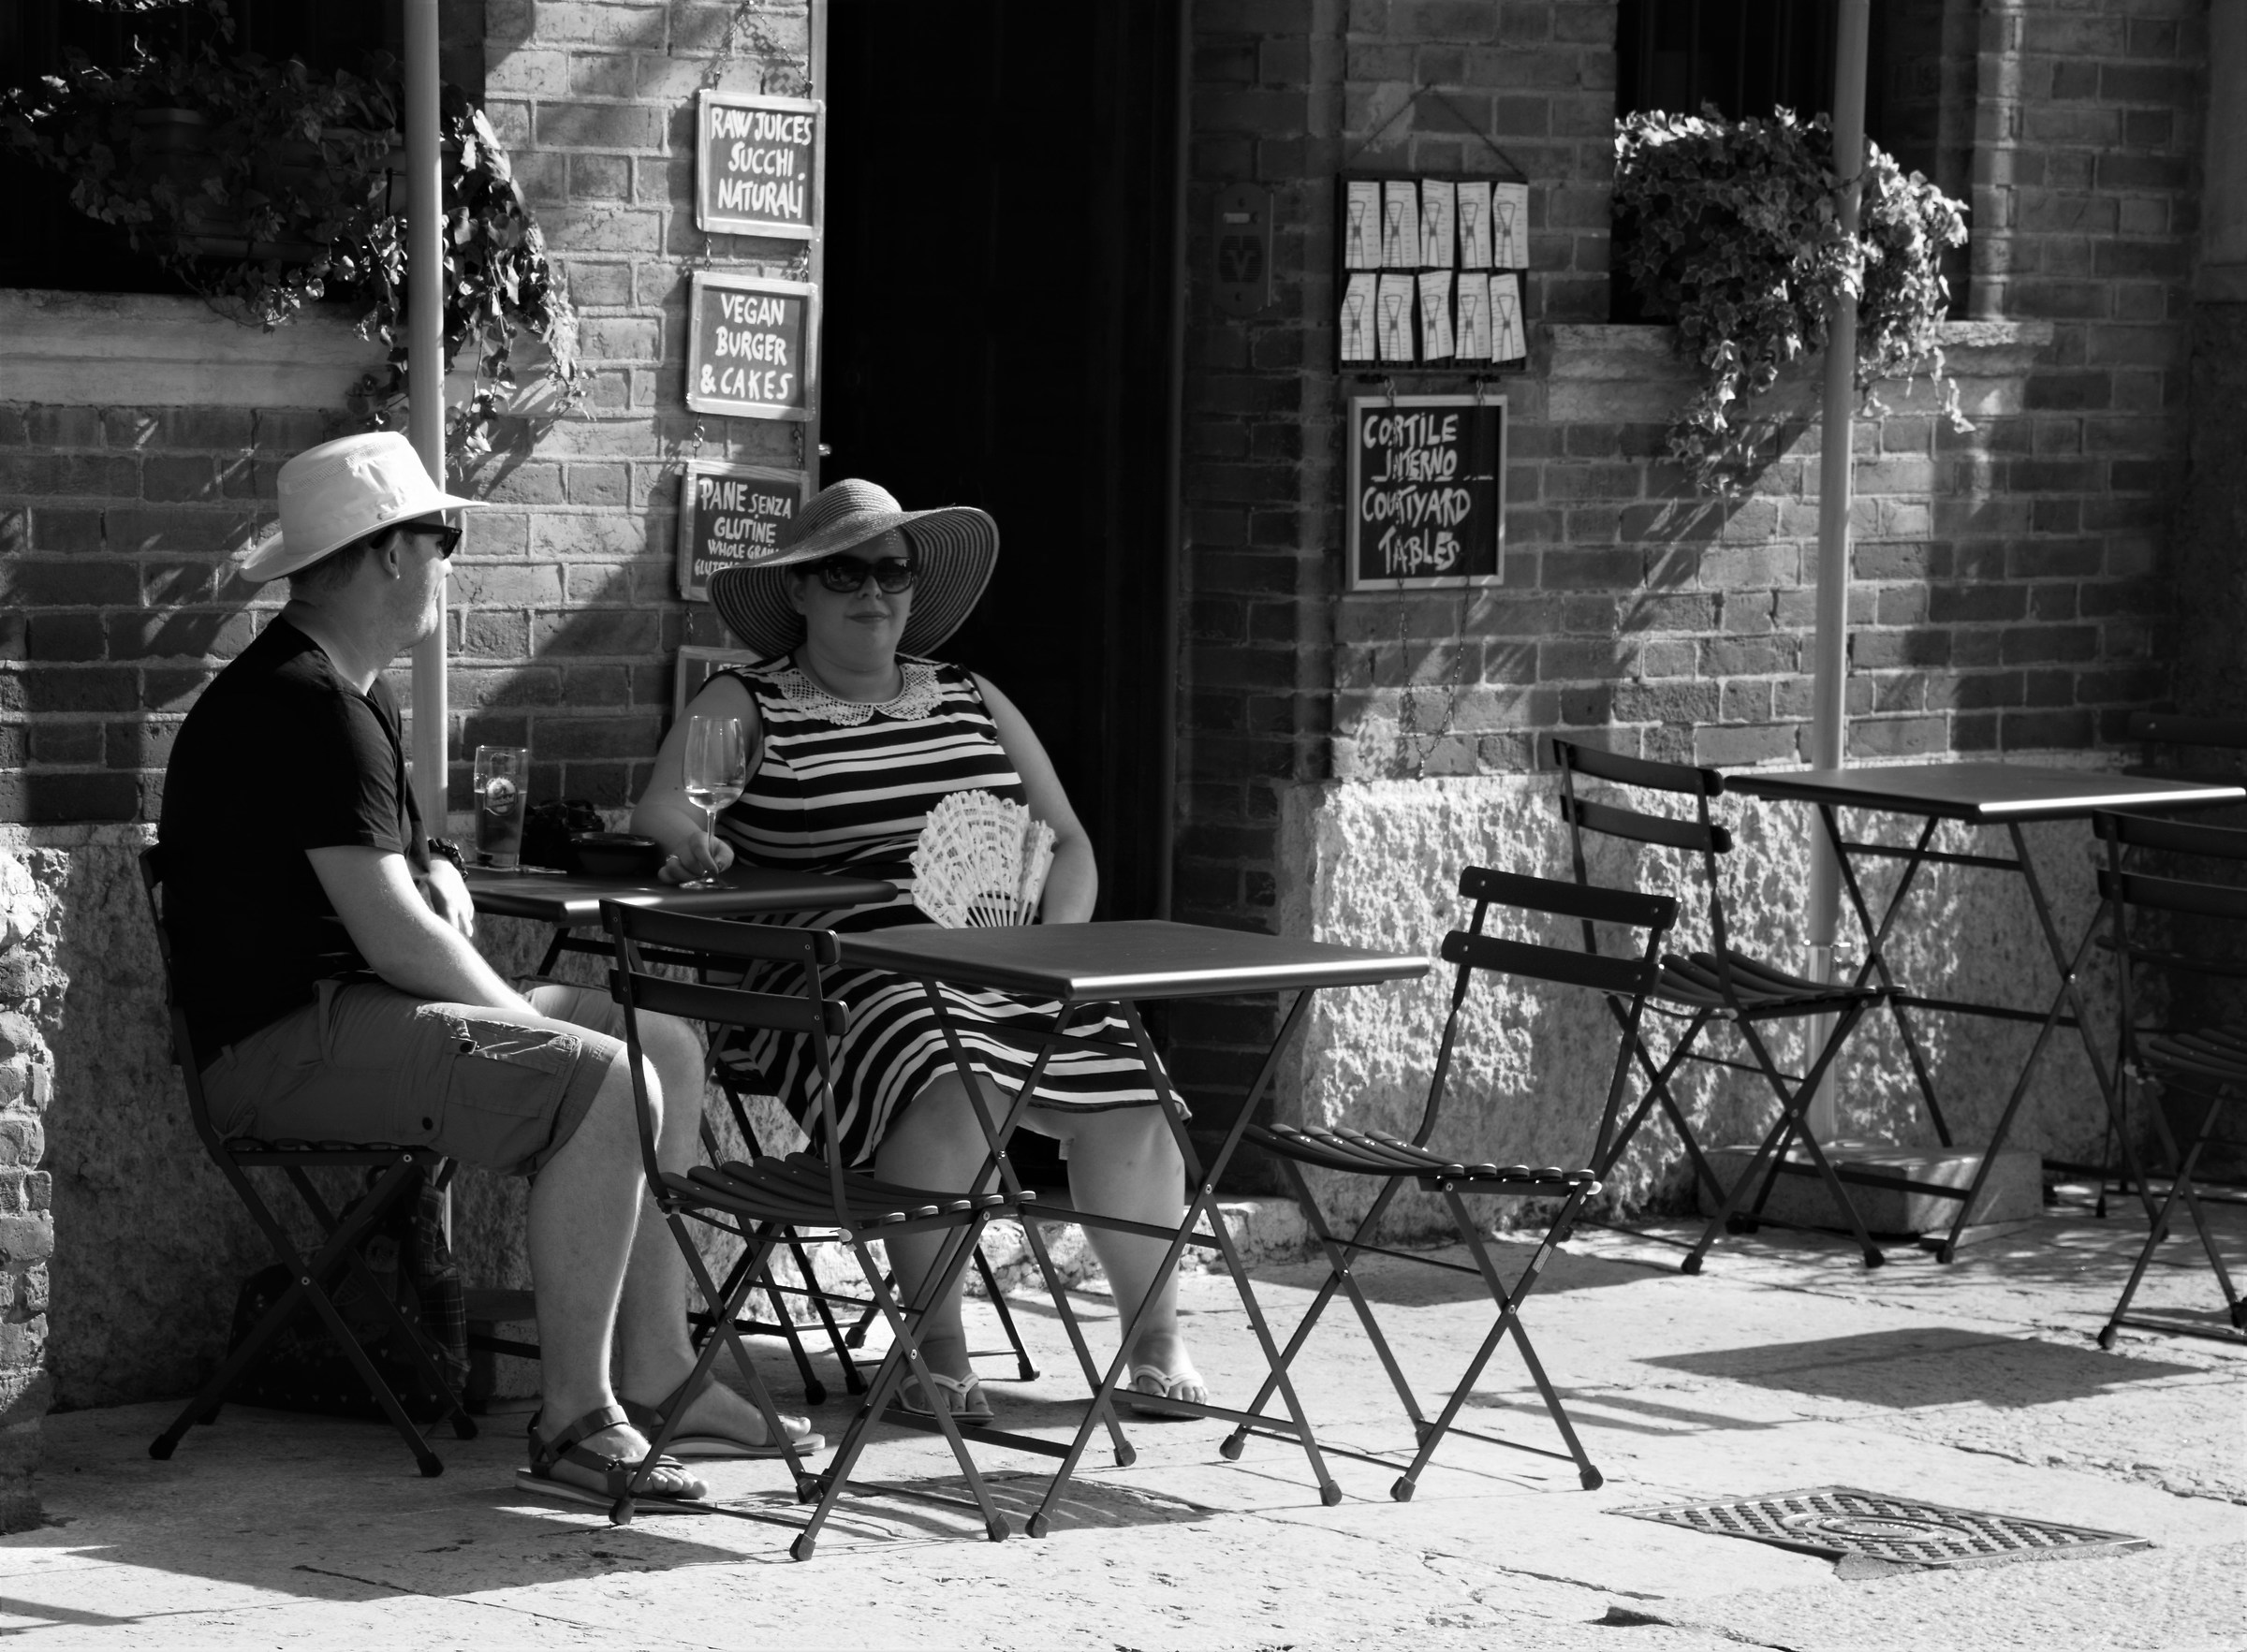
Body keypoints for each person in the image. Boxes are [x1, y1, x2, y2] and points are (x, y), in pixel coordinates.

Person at [157, 432, 820, 1511]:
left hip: (350, 1014)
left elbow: (391, 854)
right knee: (608, 1075)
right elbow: (393, 937)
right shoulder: (311, 703)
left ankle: (657, 1365)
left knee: (660, 1038)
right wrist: (533, 1027)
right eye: (443, 537)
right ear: (383, 555)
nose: (451, 561)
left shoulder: (341, 690)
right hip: (288, 1041)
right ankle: (575, 1417)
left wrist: (441, 860)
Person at [630, 477, 1204, 1421]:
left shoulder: (970, 692)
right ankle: (933, 1343)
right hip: (841, 979)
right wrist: (695, 841)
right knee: (944, 1061)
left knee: (1128, 1081)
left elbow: (1064, 839)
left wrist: (1062, 944)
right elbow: (667, 809)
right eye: (843, 570)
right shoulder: (746, 701)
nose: (872, 590)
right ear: (801, 592)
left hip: (1006, 959)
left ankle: (1153, 1337)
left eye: (890, 569)